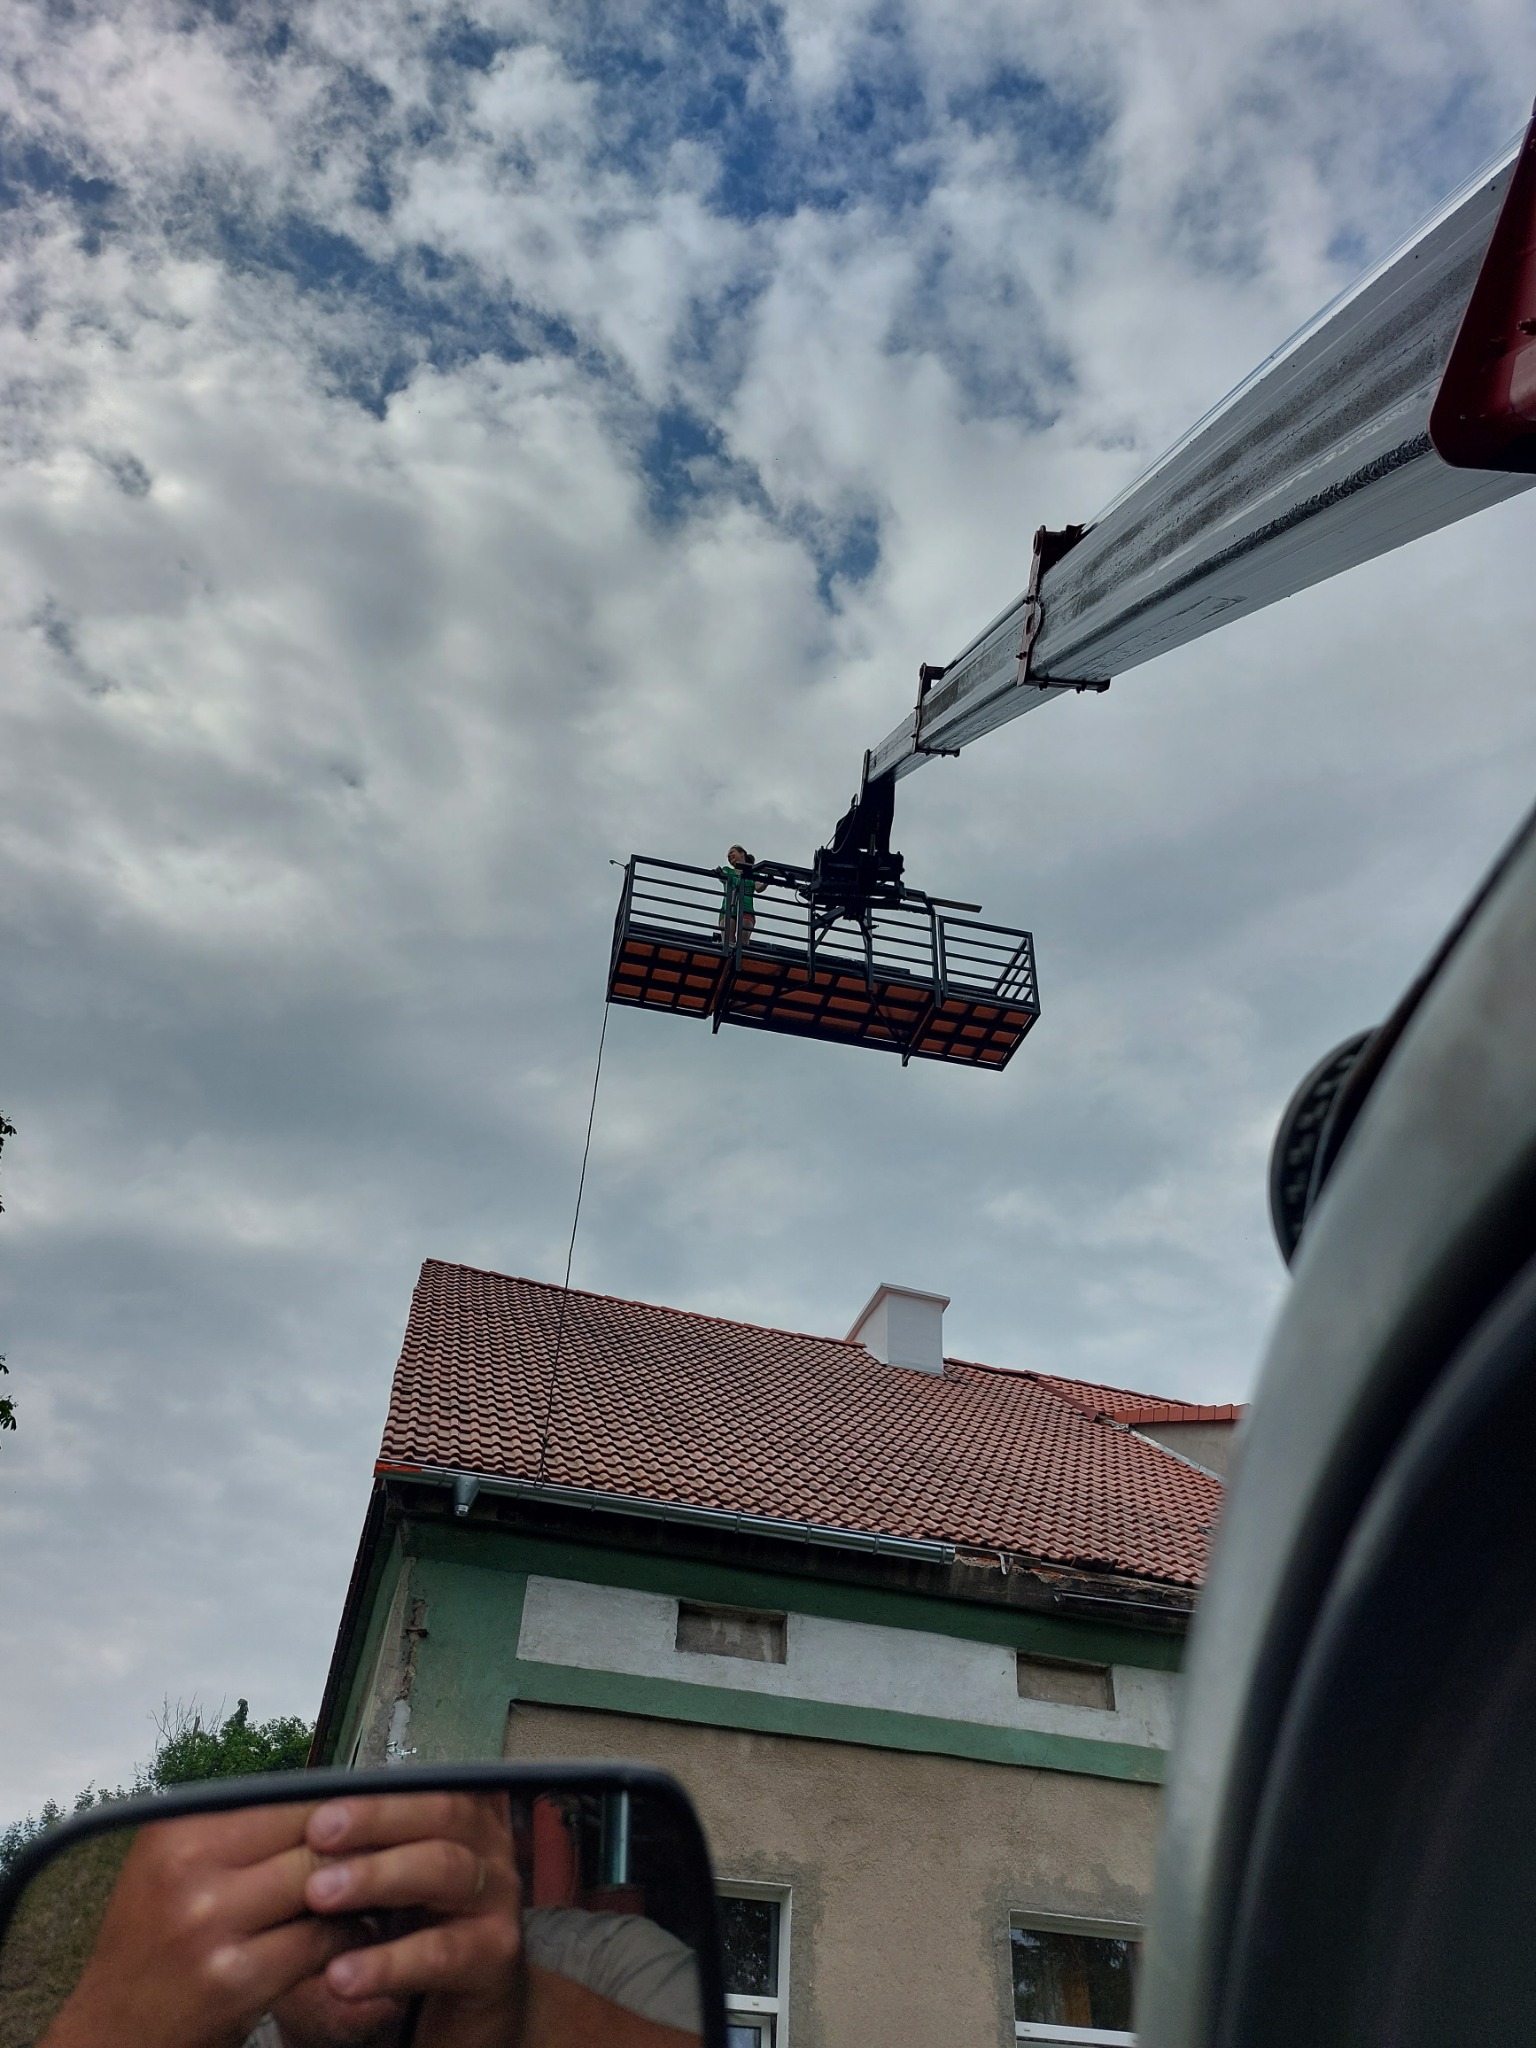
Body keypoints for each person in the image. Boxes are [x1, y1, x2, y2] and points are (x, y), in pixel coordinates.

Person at [31, 1791, 699, 2048]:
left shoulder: (616, 1962)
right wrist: (98, 2034)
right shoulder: (224, 2018)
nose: (375, 1885)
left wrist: (515, 2006)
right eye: (325, 1858)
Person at [717, 847, 765, 952]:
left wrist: (767, 881)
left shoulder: (753, 873)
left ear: (742, 854)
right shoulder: (728, 870)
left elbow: (758, 887)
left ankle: (739, 964)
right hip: (728, 909)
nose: (729, 856)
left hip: (746, 909)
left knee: (743, 945)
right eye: (728, 856)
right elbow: (722, 877)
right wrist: (719, 873)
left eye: (731, 853)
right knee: (728, 944)